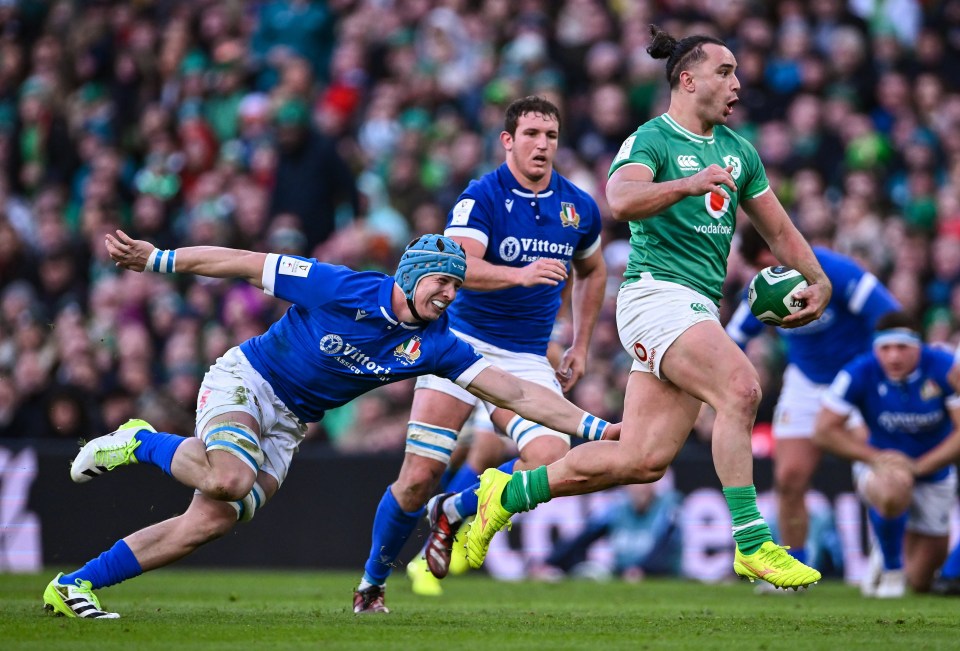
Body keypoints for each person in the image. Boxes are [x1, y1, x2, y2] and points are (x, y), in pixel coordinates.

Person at [42, 230, 619, 619]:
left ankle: (74, 586)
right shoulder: (341, 287)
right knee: (229, 480)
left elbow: (517, 392)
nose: (449, 295)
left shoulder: (438, 344)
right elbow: (244, 264)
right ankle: (142, 441)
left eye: (455, 287)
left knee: (208, 523)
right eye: (441, 282)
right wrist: (158, 259)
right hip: (247, 381)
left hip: (291, 423)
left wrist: (595, 428)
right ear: (411, 275)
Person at [462, 24, 833, 591]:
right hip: (655, 295)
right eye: (725, 72)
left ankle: (505, 493)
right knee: (741, 389)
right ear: (687, 80)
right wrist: (687, 185)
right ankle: (753, 543)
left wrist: (819, 279)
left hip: (696, 307)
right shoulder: (652, 140)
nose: (737, 84)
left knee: (641, 460)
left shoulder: (739, 153)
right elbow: (621, 199)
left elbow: (778, 229)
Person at [355, 95, 608, 606]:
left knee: (550, 456)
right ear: (508, 141)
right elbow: (457, 267)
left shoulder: (578, 206)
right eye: (532, 134)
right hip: (457, 346)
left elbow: (594, 270)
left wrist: (580, 342)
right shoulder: (481, 197)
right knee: (418, 476)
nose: (543, 145)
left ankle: (456, 509)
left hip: (525, 356)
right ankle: (372, 582)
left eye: (551, 136)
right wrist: (521, 274)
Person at [726, 225, 899, 570]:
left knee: (877, 473)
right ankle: (795, 562)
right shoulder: (762, 288)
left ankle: (887, 559)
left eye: (770, 259)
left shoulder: (834, 271)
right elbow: (731, 340)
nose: (771, 271)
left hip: (856, 381)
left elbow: (889, 316)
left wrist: (880, 376)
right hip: (804, 383)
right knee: (789, 479)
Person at [814, 312, 960, 598]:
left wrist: (919, 466)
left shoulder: (944, 368)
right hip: (881, 467)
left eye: (902, 348)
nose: (893, 357)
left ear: (919, 345)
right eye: (885, 348)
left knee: (922, 582)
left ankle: (886, 545)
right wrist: (874, 458)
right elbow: (823, 431)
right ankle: (892, 571)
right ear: (875, 348)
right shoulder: (858, 371)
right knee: (893, 485)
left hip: (935, 473)